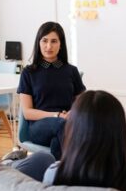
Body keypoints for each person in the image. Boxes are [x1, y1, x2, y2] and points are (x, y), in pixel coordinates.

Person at [17, 21, 85, 160]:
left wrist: (73, 112)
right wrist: (58, 115)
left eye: (54, 41)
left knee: (58, 142)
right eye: (45, 41)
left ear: (61, 44)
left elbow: (83, 103)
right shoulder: (29, 72)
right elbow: (28, 113)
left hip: (65, 126)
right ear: (38, 43)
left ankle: (56, 176)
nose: (49, 46)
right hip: (38, 127)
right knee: (63, 126)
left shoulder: (71, 71)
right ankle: (82, 171)